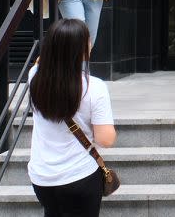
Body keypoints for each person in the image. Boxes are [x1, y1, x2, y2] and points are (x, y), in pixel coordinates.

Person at [28, 18, 116, 216]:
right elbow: (106, 139)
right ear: (82, 50)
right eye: (88, 40)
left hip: (42, 178)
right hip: (80, 177)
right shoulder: (95, 87)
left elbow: (42, 62)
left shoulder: (34, 76)